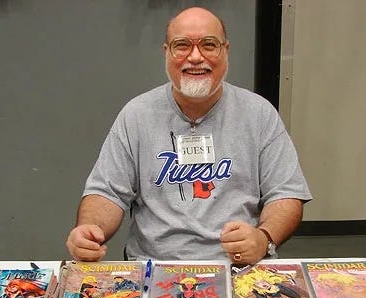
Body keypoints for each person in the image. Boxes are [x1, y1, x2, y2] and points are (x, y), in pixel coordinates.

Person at [66, 6, 311, 264]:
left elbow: (286, 194)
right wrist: (89, 230)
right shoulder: (136, 115)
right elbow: (107, 193)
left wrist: (264, 237)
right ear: (166, 52)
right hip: (153, 267)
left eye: (209, 45)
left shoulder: (259, 113)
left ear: (226, 51)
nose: (195, 57)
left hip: (237, 267)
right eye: (182, 45)